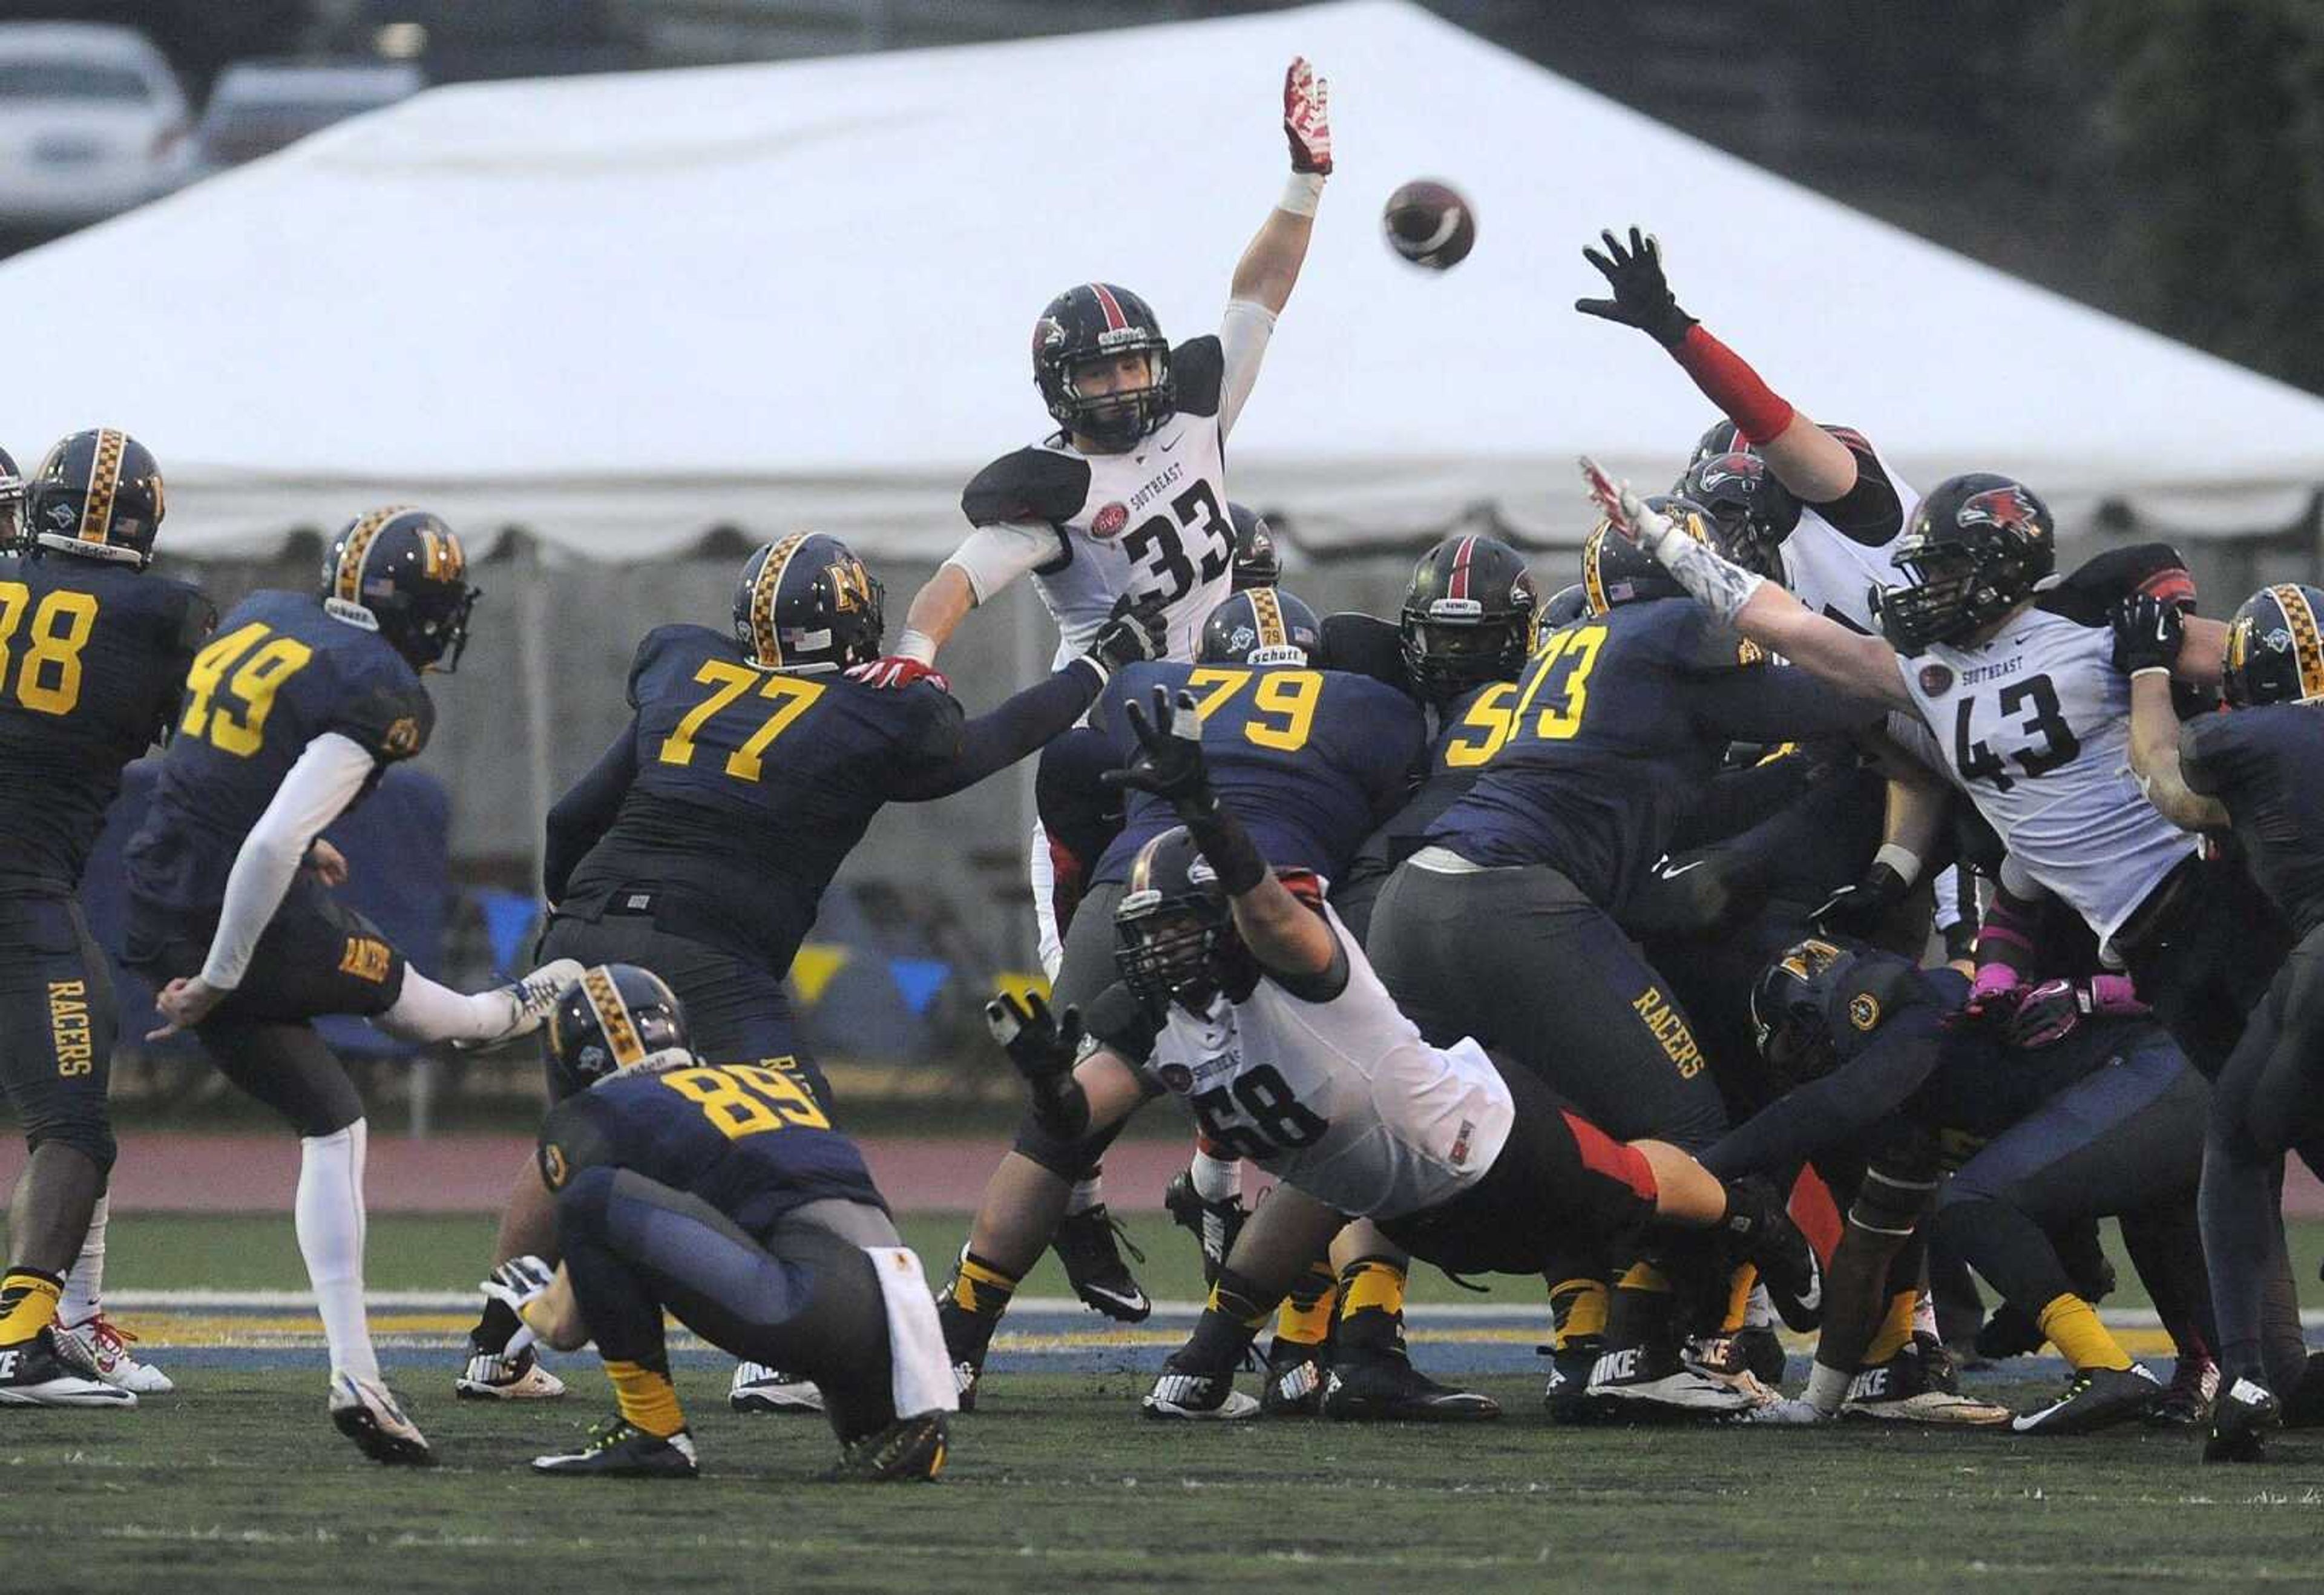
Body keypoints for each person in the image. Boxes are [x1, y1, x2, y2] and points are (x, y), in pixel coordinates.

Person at [458, 531, 1161, 1412]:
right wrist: (1095, 671)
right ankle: (773, 1358)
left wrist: (572, 926)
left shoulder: (685, 674)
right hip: (711, 950)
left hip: (592, 917)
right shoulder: (873, 713)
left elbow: (571, 817)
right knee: (802, 1145)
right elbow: (979, 748)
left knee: (584, 1128)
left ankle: (496, 1348)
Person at [982, 689, 1821, 1421]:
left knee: (1632, 1192)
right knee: (1323, 1169)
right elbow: (1074, 1120)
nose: (1156, 952)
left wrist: (1205, 807)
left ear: (1225, 919)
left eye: (1171, 929)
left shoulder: (1301, 964)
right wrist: (1049, 1082)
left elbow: (1269, 907)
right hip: (1390, 1196)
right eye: (1145, 934)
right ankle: (1207, 1359)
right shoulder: (1160, 1009)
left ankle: (1755, 1223)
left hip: (1489, 1150)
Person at [1363, 504, 1895, 1414]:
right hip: (1515, 905)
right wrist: (1914, 672)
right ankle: (1652, 1351)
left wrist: (1797, 778)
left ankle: (1310, 1342)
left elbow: (1669, 809)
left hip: (1416, 905)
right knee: (1697, 1130)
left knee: (1485, 1136)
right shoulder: (1679, 629)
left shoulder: (1585, 649)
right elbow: (1851, 692)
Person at [122, 505, 583, 1465]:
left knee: (333, 1118)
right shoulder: (381, 687)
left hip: (159, 888)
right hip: (235, 916)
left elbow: (222, 776)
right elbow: (267, 841)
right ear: (418, 610)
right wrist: (217, 976)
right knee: (436, 1016)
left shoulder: (264, 613)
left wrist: (284, 863)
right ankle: (535, 998)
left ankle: (358, 1371)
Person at [939, 590, 1426, 1405]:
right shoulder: (1374, 708)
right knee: (1350, 1115)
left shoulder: (1150, 686)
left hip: (1135, 893)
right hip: (1274, 908)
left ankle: (959, 1337)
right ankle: (1253, 1345)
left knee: (1065, 1122)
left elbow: (1070, 774)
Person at [1714, 937, 2207, 1434]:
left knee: (1971, 1200)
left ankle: (2110, 1367)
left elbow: (1831, 1106)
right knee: (2265, 1358)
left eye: (1793, 1039)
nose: (1796, 1061)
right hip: (2145, 1093)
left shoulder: (1919, 1019)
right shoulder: (1902, 1099)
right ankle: (2256, 1379)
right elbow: (1865, 1258)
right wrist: (1817, 1402)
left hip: (2159, 1075)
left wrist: (1706, 1165)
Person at [500, 964, 952, 1481]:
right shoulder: (761, 1080)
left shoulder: (606, 1109)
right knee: (867, 1433)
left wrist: (541, 1308)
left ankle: (652, 1429)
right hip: (903, 1308)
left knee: (592, 1196)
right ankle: (903, 1426)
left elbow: (571, 1316)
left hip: (812, 1301)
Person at [0, 430, 210, 1407]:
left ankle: (67, 1324)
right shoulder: (164, 613)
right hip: (19, 891)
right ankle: (20, 1338)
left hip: (30, 888)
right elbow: (205, 765)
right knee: (73, 1120)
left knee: (84, 1071)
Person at [2117, 582, 2324, 1459]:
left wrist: (2150, 670)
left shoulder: (2246, 738)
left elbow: (2166, 779)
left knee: (2238, 1146)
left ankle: (2240, 1377)